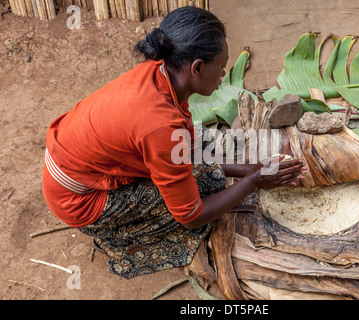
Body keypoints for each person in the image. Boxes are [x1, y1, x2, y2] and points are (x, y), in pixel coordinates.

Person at [42, 6, 306, 279]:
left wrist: (248, 169)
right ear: (198, 68)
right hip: (78, 199)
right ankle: (118, 233)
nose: (225, 74)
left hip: (73, 161)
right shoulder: (160, 124)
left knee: (205, 154)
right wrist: (253, 182)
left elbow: (185, 147)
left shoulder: (159, 73)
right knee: (208, 185)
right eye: (223, 66)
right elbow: (191, 216)